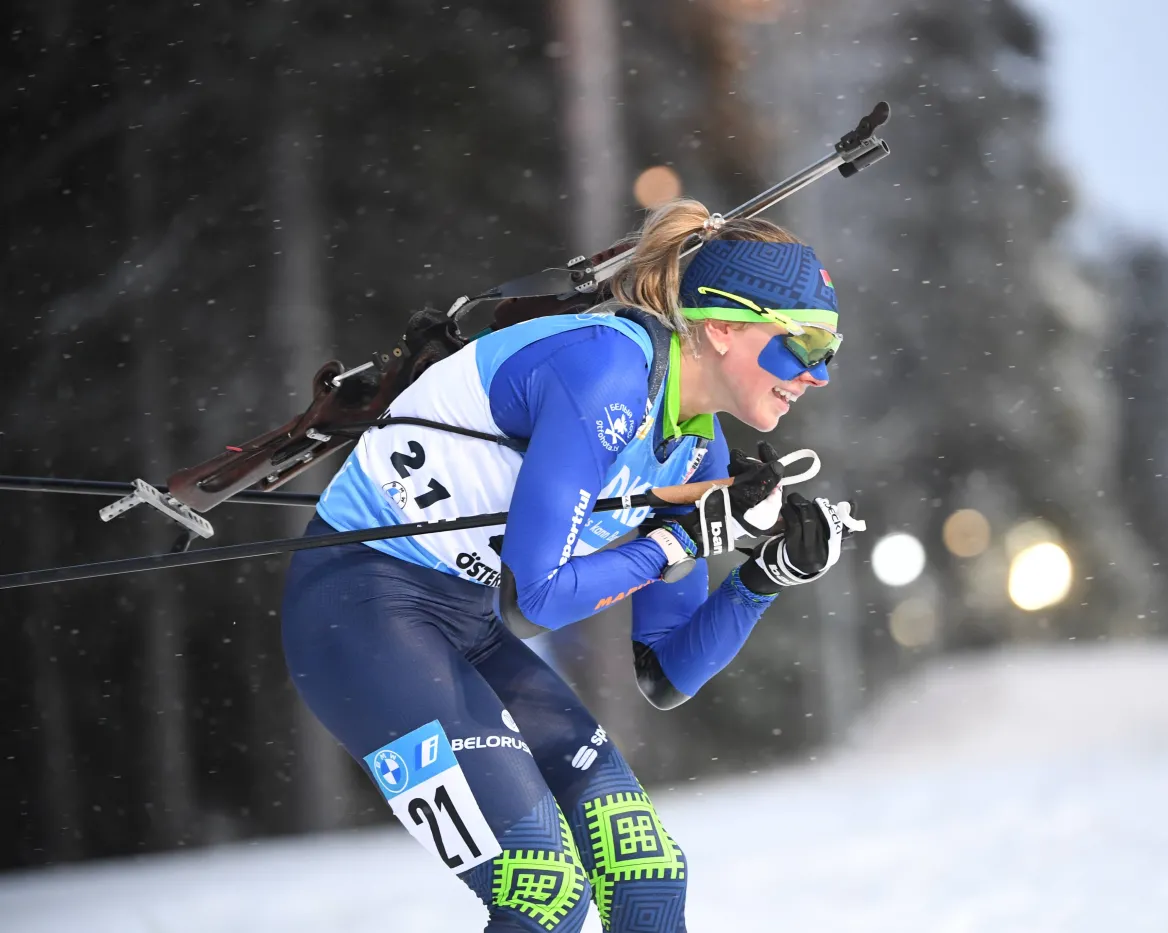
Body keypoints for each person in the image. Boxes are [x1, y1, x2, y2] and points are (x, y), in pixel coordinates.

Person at [280, 198, 862, 933]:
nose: (816, 375)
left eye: (828, 352)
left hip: (463, 625)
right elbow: (543, 596)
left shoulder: (699, 447)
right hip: (359, 615)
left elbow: (665, 671)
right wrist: (680, 541)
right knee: (543, 890)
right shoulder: (606, 370)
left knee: (646, 872)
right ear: (721, 326)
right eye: (799, 347)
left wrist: (763, 577)